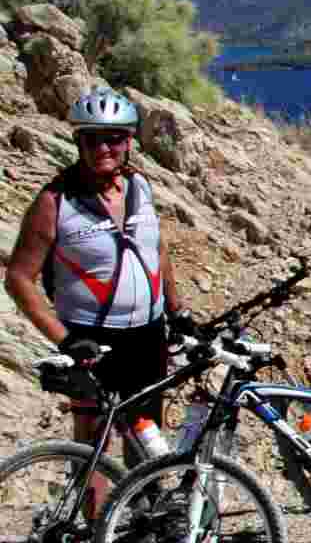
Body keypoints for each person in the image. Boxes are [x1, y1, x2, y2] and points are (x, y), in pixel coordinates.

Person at [5, 86, 187, 516]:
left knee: (145, 437)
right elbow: (19, 279)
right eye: (92, 139)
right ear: (78, 142)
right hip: (91, 339)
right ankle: (91, 529)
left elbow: (157, 250)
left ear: (129, 142)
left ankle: (145, 525)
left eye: (114, 138)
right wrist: (65, 340)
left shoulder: (140, 185)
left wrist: (177, 310)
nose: (104, 148)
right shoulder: (54, 201)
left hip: (148, 334)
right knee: (92, 446)